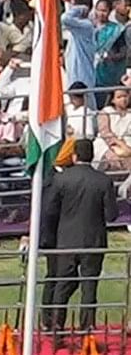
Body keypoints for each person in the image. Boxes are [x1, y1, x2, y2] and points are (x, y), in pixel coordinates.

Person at [41, 139, 118, 335]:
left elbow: (50, 210)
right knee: (89, 285)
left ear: (74, 156)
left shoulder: (61, 179)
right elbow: (112, 214)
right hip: (93, 240)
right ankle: (87, 327)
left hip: (66, 240)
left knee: (62, 284)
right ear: (91, 156)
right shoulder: (103, 180)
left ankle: (56, 324)